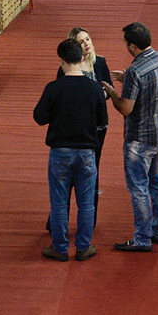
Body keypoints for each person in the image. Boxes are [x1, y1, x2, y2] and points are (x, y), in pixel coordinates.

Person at [34, 39, 108, 262]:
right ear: (82, 58)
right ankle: (84, 246)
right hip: (86, 153)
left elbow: (39, 117)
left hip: (60, 152)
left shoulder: (54, 88)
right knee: (86, 202)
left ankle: (60, 247)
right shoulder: (95, 88)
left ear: (61, 60)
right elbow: (102, 120)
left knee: (59, 201)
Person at [102, 22, 158, 251]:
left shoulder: (135, 71)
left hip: (140, 139)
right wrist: (128, 81)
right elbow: (154, 88)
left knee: (139, 187)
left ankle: (142, 238)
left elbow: (125, 108)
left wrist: (112, 91)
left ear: (132, 45)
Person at [45, 28, 113, 231]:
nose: (87, 44)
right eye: (81, 41)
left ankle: (88, 223)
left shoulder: (99, 62)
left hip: (96, 129)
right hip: (73, 126)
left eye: (88, 39)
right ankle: (58, 221)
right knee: (67, 179)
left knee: (92, 174)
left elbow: (107, 88)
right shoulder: (66, 68)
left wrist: (103, 94)